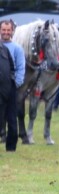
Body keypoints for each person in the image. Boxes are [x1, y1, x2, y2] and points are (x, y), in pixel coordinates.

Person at [0, 19, 23, 150]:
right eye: (3, 30)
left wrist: (15, 84)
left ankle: (11, 147)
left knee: (12, 119)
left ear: (12, 31)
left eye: (8, 30)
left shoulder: (16, 49)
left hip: (10, 88)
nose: (6, 32)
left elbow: (18, 68)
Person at [0, 39, 15, 151]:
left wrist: (11, 81)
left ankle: (10, 148)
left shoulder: (4, 50)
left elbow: (12, 68)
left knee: (9, 120)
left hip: (7, 90)